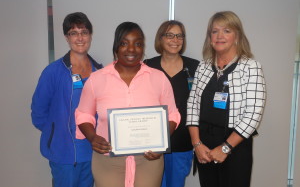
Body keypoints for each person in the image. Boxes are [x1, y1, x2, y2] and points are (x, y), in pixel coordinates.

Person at [75, 21, 181, 187]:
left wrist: (162, 142)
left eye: (138, 44)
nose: (131, 49)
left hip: (149, 159)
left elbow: (173, 115)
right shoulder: (97, 79)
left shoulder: (158, 78)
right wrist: (92, 137)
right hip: (107, 160)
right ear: (116, 46)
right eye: (124, 43)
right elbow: (83, 115)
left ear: (143, 47)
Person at [186, 11, 266, 187]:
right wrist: (197, 144)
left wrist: (225, 148)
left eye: (227, 31)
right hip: (204, 145)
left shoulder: (250, 67)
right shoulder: (203, 66)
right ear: (209, 37)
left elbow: (253, 114)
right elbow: (192, 105)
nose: (219, 36)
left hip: (235, 144)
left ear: (237, 36)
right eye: (214, 31)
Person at [31, 12, 102, 187]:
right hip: (63, 152)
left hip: (91, 151)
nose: (79, 38)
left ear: (90, 36)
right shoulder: (53, 72)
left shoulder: (100, 72)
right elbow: (38, 113)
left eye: (84, 32)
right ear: (66, 37)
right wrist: (56, 132)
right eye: (73, 33)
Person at [144, 20, 199, 187]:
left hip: (182, 142)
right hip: (153, 143)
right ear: (160, 38)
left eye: (179, 36)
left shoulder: (195, 67)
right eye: (169, 35)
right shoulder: (147, 67)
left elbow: (199, 105)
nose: (175, 40)